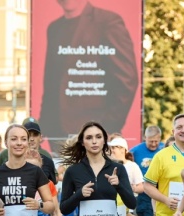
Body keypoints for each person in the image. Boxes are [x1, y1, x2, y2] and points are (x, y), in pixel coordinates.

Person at [39, 0, 138, 137]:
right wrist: (43, 128)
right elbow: (51, 82)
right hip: (58, 133)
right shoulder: (55, 28)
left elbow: (127, 78)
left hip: (97, 130)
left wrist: (109, 126)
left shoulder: (108, 22)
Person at [130, 125, 163, 216]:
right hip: (144, 192)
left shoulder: (164, 150)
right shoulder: (136, 151)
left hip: (161, 191)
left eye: (156, 141)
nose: (154, 144)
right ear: (145, 138)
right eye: (151, 141)